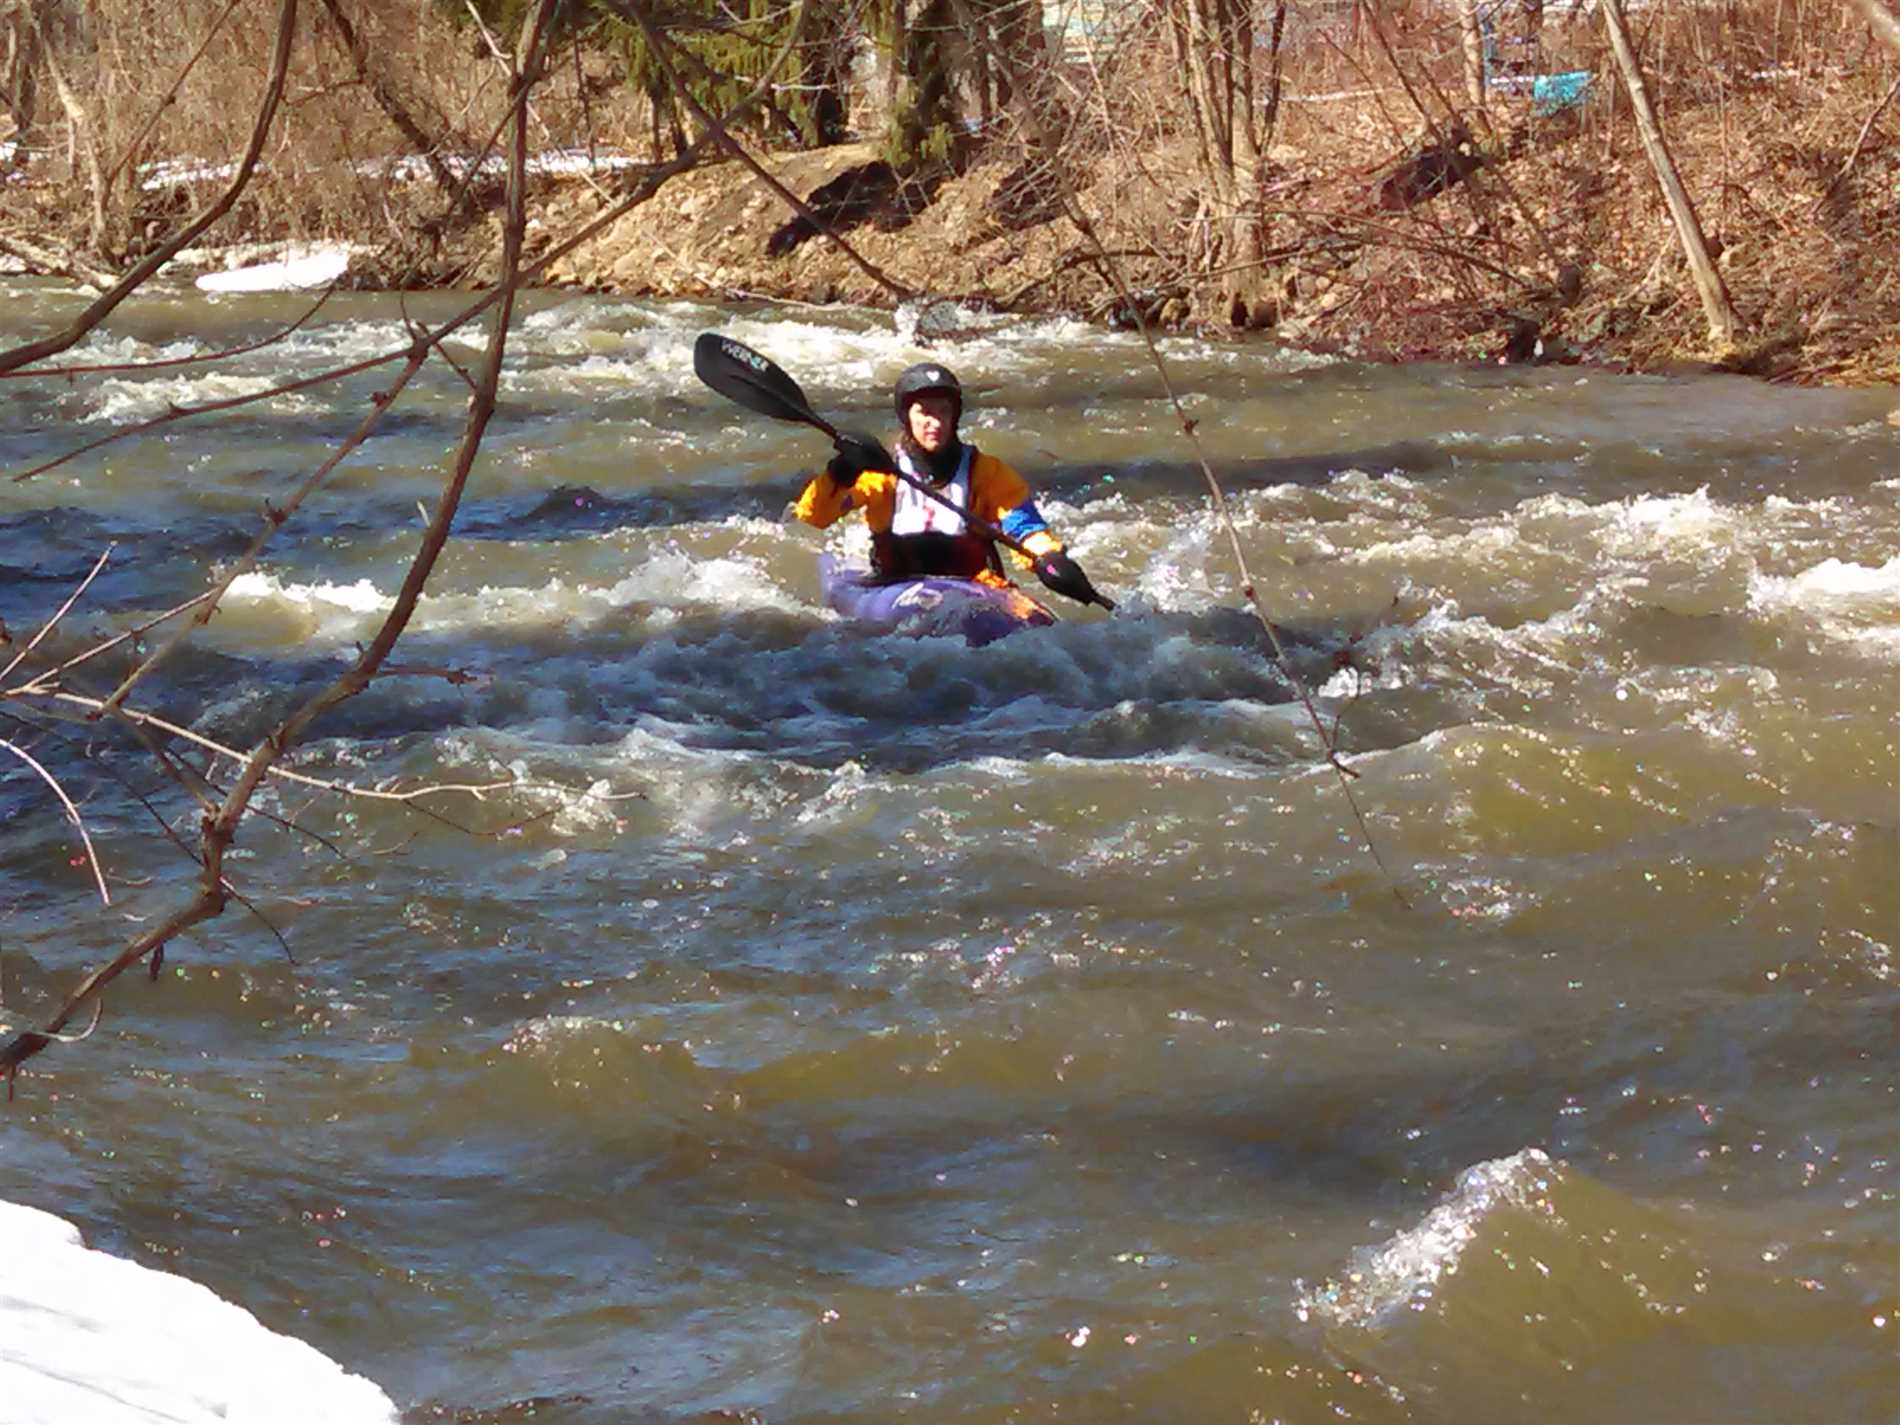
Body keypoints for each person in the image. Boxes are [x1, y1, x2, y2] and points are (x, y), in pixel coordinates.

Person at [792, 362, 1102, 605]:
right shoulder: (881, 473)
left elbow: (1025, 527)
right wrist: (840, 471)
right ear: (906, 416)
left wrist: (1049, 557)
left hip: (973, 587)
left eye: (944, 411)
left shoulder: (987, 473)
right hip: (894, 585)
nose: (936, 422)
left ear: (955, 416)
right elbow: (816, 516)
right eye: (925, 412)